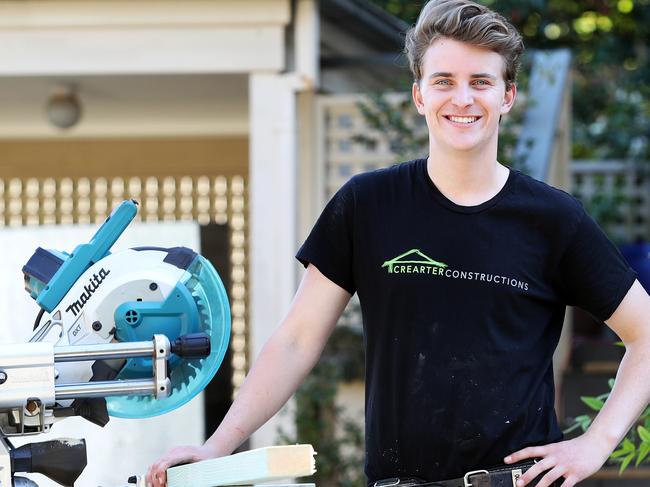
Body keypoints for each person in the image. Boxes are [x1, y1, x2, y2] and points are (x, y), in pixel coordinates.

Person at [147, 1, 650, 486]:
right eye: (444, 81)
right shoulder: (368, 205)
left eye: (481, 82)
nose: (463, 98)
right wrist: (218, 445)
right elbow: (297, 340)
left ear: (507, 97)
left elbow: (645, 334)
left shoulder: (552, 219)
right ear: (418, 95)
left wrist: (595, 444)